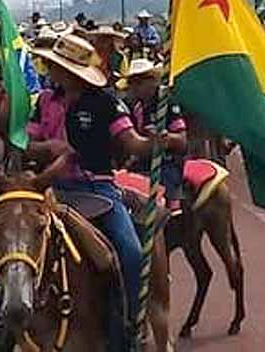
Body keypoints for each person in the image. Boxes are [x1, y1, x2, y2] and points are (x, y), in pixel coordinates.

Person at [22, 34, 178, 351]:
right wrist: (45, 148)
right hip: (50, 192)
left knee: (131, 253)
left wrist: (155, 141)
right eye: (51, 65)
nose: (50, 70)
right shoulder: (45, 101)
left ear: (72, 72)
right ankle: (2, 323)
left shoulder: (106, 103)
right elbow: (26, 144)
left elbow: (131, 142)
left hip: (98, 192)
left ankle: (132, 327)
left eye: (55, 66)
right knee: (6, 254)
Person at [122, 58, 188, 213]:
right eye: (133, 82)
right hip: (140, 162)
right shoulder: (131, 105)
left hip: (165, 162)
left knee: (168, 198)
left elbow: (182, 140)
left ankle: (173, 216)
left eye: (140, 82)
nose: (135, 87)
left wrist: (166, 138)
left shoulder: (167, 103)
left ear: (152, 81)